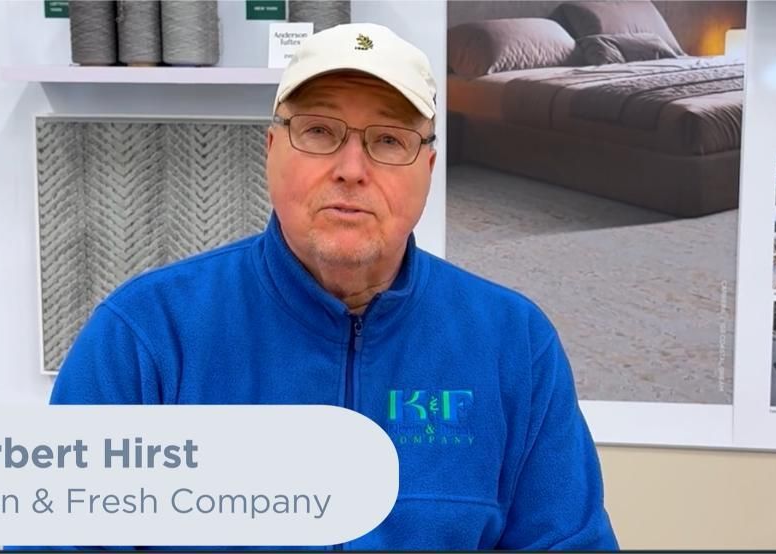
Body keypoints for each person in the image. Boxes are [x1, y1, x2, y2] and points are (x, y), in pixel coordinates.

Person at [48, 22, 618, 550]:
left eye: (390, 140)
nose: (351, 168)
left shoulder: (514, 345)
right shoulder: (145, 337)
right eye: (318, 131)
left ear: (429, 167)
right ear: (271, 150)